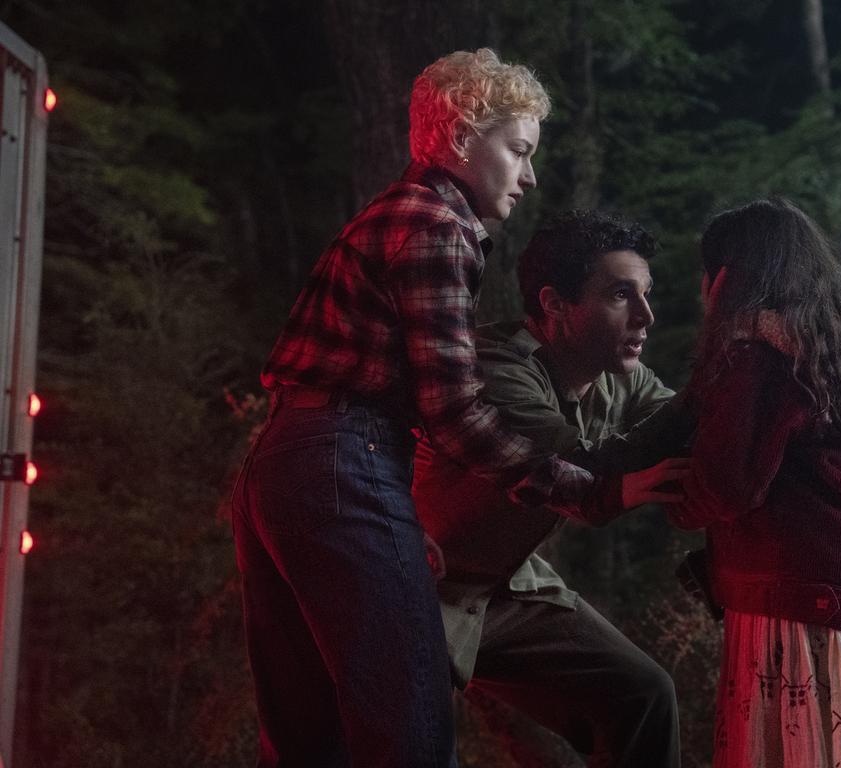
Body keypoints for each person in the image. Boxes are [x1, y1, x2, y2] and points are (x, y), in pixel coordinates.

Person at [231, 49, 593, 768]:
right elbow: (454, 408)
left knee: (307, 739)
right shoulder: (436, 226)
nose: (530, 176)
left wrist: (392, 510)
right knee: (410, 732)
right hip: (341, 462)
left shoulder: (395, 213)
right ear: (462, 138)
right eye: (518, 151)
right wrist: (571, 484)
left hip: (283, 467)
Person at [412, 210, 693, 767]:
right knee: (406, 746)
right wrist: (695, 413)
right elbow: (578, 474)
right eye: (620, 295)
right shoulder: (496, 368)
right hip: (420, 586)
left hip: (508, 586)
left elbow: (684, 424)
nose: (646, 315)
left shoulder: (621, 377)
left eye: (646, 293)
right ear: (555, 305)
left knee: (641, 695)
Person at [670, 198, 841, 768]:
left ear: (724, 280)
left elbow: (726, 484)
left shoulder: (763, 358)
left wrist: (672, 495)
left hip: (798, 606)